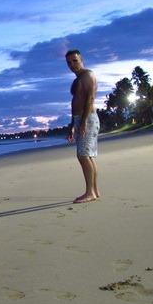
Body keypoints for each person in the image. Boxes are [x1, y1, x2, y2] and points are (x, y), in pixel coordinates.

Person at [65, 49, 100, 203]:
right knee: (88, 156)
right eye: (69, 62)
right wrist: (73, 124)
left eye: (75, 61)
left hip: (88, 118)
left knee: (83, 156)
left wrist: (84, 121)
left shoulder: (88, 75)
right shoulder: (77, 79)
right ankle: (95, 191)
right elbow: (76, 103)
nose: (72, 64)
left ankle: (90, 192)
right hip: (80, 119)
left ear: (81, 59)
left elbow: (90, 99)